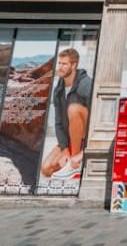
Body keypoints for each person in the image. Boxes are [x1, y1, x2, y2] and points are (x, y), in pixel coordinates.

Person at [40, 47, 93, 178]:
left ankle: (75, 164)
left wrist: (83, 151)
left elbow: (96, 117)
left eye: (64, 64)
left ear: (74, 65)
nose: (60, 67)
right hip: (70, 138)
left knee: (73, 109)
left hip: (85, 137)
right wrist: (64, 150)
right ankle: (71, 160)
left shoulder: (86, 84)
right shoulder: (58, 90)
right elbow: (58, 123)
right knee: (46, 169)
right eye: (59, 63)